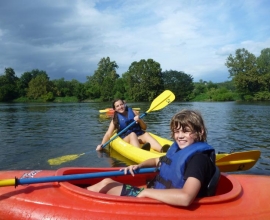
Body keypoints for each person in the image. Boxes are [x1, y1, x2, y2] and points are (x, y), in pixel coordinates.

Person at [89, 109, 217, 207]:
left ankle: (77, 203)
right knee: (106, 181)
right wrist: (139, 165)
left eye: (186, 131)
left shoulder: (199, 160)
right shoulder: (179, 150)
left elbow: (186, 197)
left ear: (200, 131)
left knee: (106, 187)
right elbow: (157, 160)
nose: (180, 136)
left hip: (161, 204)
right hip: (158, 195)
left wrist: (146, 193)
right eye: (177, 132)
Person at [96, 99, 167, 152]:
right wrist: (102, 145)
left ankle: (162, 150)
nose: (120, 107)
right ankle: (140, 153)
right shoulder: (115, 119)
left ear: (124, 104)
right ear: (115, 109)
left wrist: (139, 120)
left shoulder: (134, 112)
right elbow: (108, 134)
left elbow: (144, 128)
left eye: (121, 104)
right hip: (126, 138)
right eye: (117, 106)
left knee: (146, 134)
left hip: (138, 135)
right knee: (132, 134)